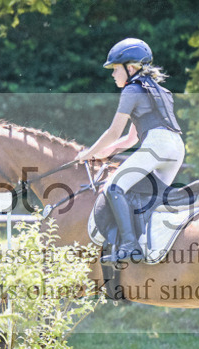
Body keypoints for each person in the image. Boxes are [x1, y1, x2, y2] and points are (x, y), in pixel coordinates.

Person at [76, 38, 185, 262]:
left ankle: (129, 245)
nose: (113, 74)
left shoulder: (131, 90)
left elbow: (113, 132)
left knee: (114, 187)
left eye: (115, 69)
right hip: (176, 148)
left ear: (131, 68)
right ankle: (148, 240)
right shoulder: (161, 91)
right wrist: (105, 152)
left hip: (157, 145)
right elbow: (130, 139)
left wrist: (88, 153)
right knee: (148, 195)